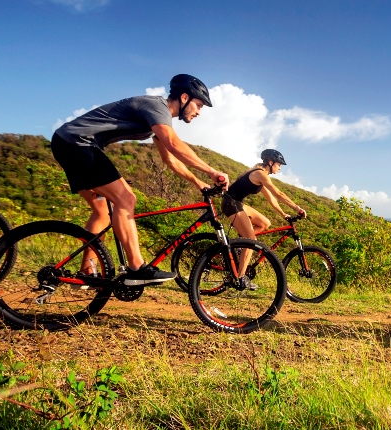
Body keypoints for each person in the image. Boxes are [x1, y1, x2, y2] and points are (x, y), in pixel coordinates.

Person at [51, 74, 229, 286]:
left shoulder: (158, 119)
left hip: (70, 143)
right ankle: (137, 268)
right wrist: (212, 171)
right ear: (184, 98)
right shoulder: (156, 106)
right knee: (126, 199)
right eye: (198, 105)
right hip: (77, 143)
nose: (199, 112)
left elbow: (170, 159)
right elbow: (173, 143)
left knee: (102, 212)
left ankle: (87, 272)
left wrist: (197, 182)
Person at [221, 149, 307, 285]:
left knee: (264, 223)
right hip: (231, 204)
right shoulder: (260, 174)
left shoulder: (261, 176)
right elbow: (279, 194)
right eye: (279, 165)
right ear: (271, 162)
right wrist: (297, 208)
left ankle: (237, 245)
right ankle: (239, 278)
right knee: (251, 240)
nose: (280, 168)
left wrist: (283, 213)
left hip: (237, 203)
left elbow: (272, 199)